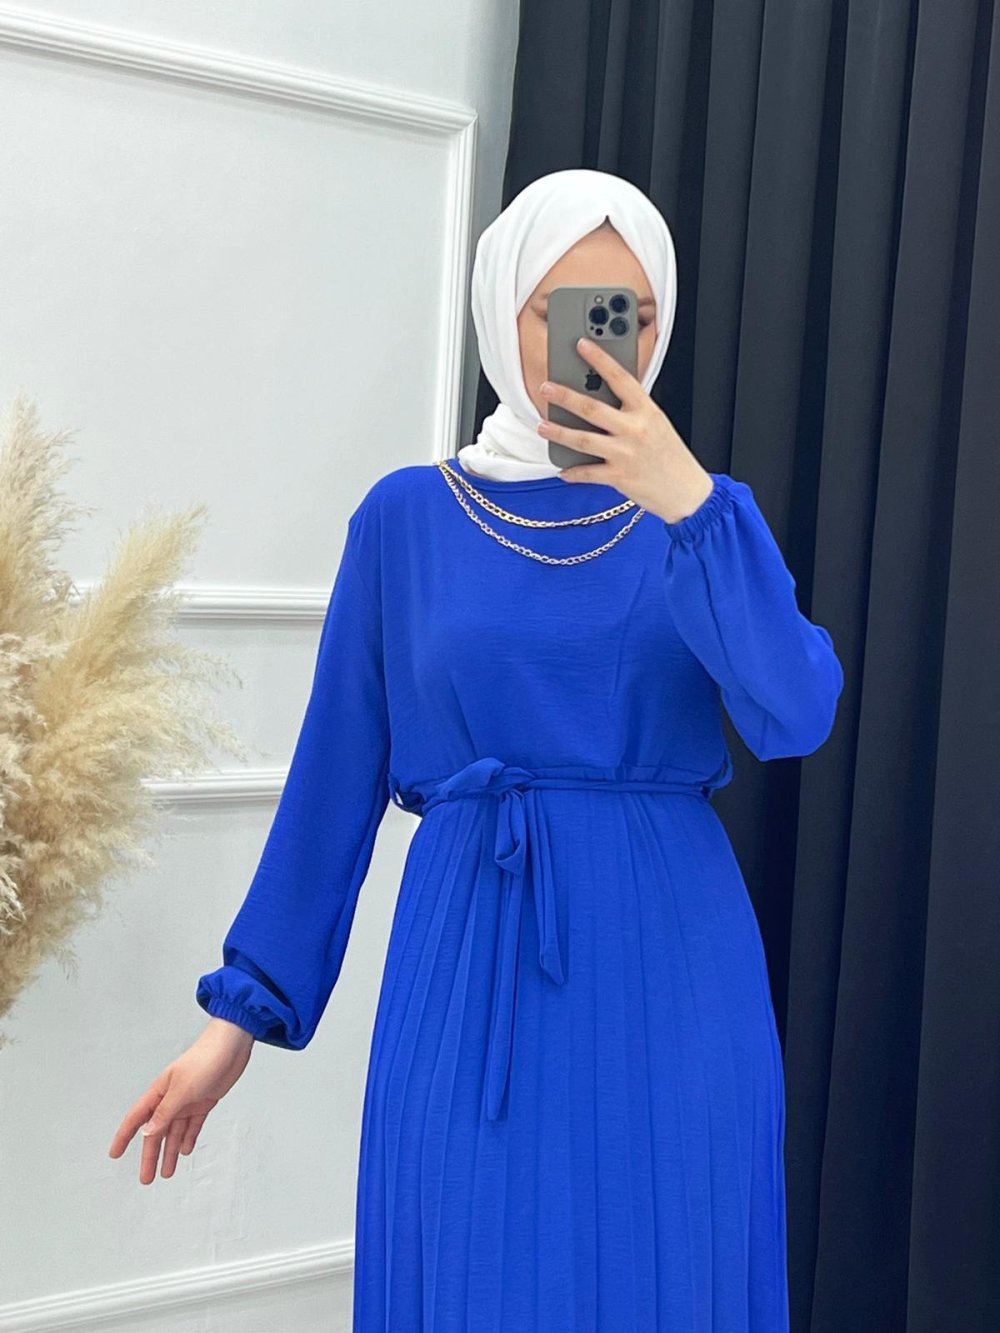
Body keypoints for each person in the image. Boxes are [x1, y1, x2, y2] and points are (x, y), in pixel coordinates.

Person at [110, 169, 844, 1330]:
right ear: (503, 309)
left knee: (663, 1267)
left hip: (670, 971)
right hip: (468, 960)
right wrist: (235, 1019)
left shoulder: (704, 521)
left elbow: (794, 712)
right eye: (565, 309)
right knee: (468, 1268)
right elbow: (332, 784)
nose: (599, 348)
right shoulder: (405, 519)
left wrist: (693, 506)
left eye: (631, 315)